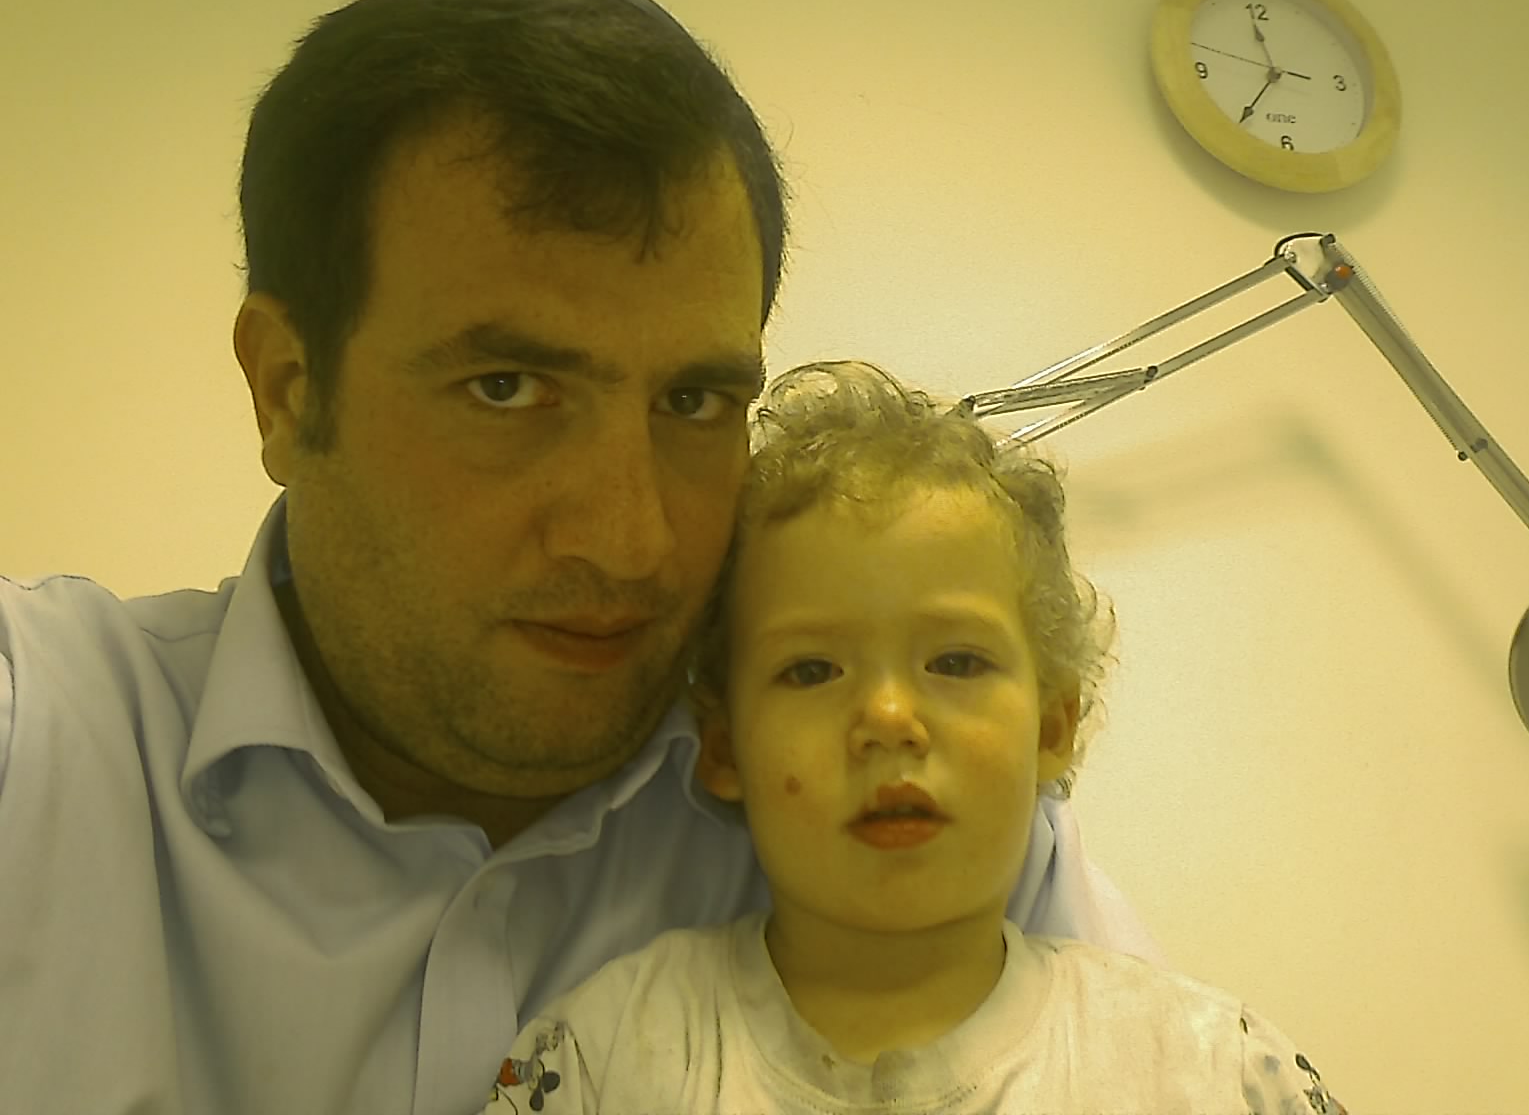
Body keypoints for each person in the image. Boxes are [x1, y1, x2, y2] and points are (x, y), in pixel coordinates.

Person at [0, 0, 1157, 1115]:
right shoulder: (42, 740)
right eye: (507, 388)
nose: (630, 540)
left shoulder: (891, 827)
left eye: (694, 403)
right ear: (288, 389)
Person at [476, 361, 1347, 1115]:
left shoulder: (1211, 1071)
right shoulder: (600, 1061)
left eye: (956, 662)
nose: (889, 719)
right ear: (727, 748)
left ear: (1052, 726)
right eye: (812, 670)